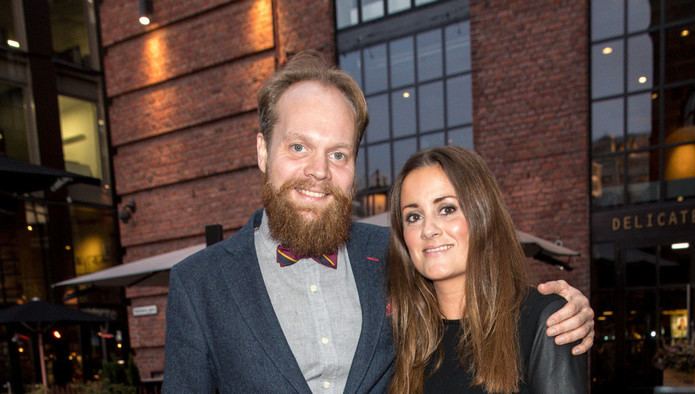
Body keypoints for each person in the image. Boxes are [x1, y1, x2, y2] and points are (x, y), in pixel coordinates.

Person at [163, 52, 593, 393]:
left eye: (338, 154)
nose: (319, 171)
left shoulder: (397, 254)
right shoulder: (200, 283)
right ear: (262, 151)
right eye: (298, 147)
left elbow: (486, 305)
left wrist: (564, 310)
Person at [388, 146, 587, 393]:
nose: (428, 229)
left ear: (482, 214)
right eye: (413, 216)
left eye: (447, 209)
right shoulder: (400, 337)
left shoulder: (546, 321)